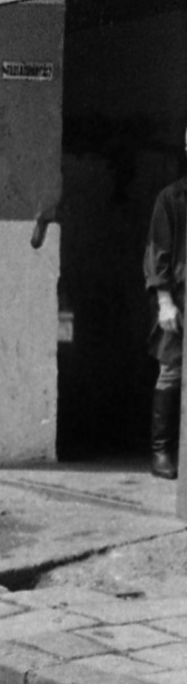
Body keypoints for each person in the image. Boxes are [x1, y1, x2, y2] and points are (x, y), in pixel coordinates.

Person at [147, 137, 186, 480]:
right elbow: (157, 255)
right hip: (180, 301)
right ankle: (162, 451)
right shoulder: (172, 199)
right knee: (172, 372)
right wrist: (165, 302)